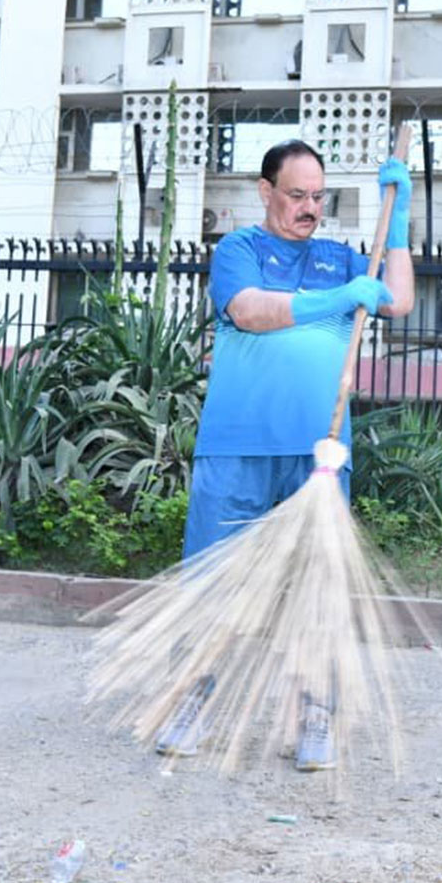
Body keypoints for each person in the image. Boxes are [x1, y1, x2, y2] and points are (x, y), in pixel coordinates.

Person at [157, 138, 415, 770]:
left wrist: (401, 220)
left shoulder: (341, 257)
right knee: (212, 583)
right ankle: (191, 704)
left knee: (318, 588)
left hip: (320, 454)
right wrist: (331, 302)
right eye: (296, 195)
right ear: (265, 191)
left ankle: (315, 719)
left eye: (318, 197)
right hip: (238, 446)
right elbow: (247, 312)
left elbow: (399, 300)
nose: (308, 208)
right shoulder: (239, 250)